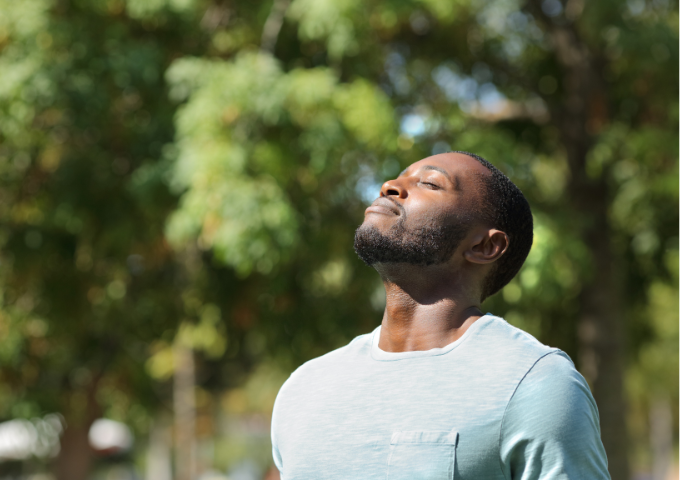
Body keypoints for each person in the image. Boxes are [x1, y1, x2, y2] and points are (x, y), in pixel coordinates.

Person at [271, 151, 610, 479]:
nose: (390, 185)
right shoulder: (304, 388)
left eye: (431, 184)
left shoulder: (535, 383)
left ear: (484, 246)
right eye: (398, 176)